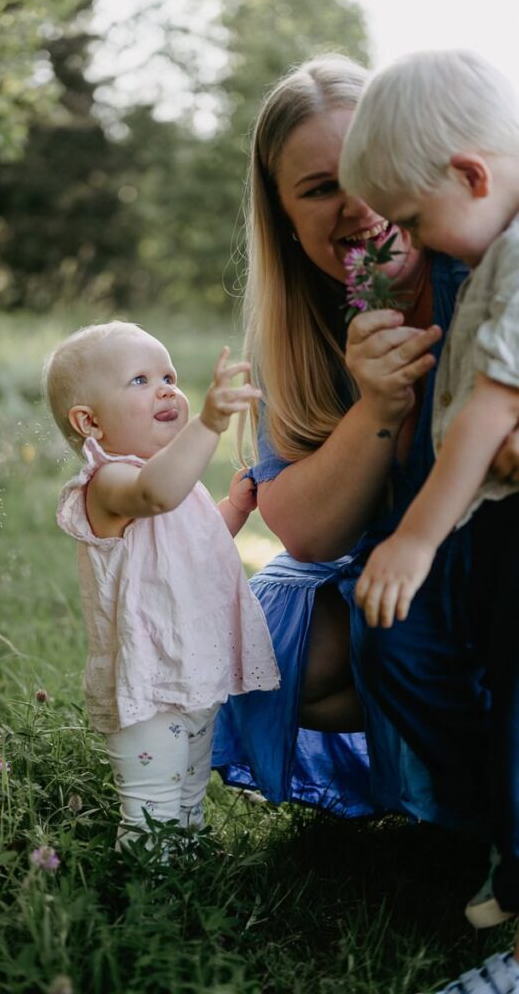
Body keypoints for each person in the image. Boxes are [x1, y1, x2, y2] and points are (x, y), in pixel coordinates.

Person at [212, 51, 519, 835]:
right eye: (319, 189)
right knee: (300, 648)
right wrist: (377, 407)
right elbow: (307, 534)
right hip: (401, 571)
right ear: (282, 214)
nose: (361, 211)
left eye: (367, 175)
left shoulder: (485, 257)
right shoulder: (299, 326)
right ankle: (477, 818)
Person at [340, 49, 519, 993]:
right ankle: (500, 830)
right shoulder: (487, 242)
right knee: (412, 640)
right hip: (487, 523)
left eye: (414, 219)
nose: (416, 241)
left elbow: (493, 408)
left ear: (471, 175)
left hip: (490, 520)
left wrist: (414, 535)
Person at [44, 321, 279, 847]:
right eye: (140, 380)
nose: (167, 388)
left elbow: (195, 544)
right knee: (153, 814)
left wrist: (234, 510)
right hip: (144, 686)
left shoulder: (176, 482)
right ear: (90, 423)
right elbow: (156, 496)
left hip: (191, 671)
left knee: (189, 803)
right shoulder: (110, 483)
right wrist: (210, 423)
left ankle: (186, 881)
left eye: (169, 375)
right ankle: (147, 903)